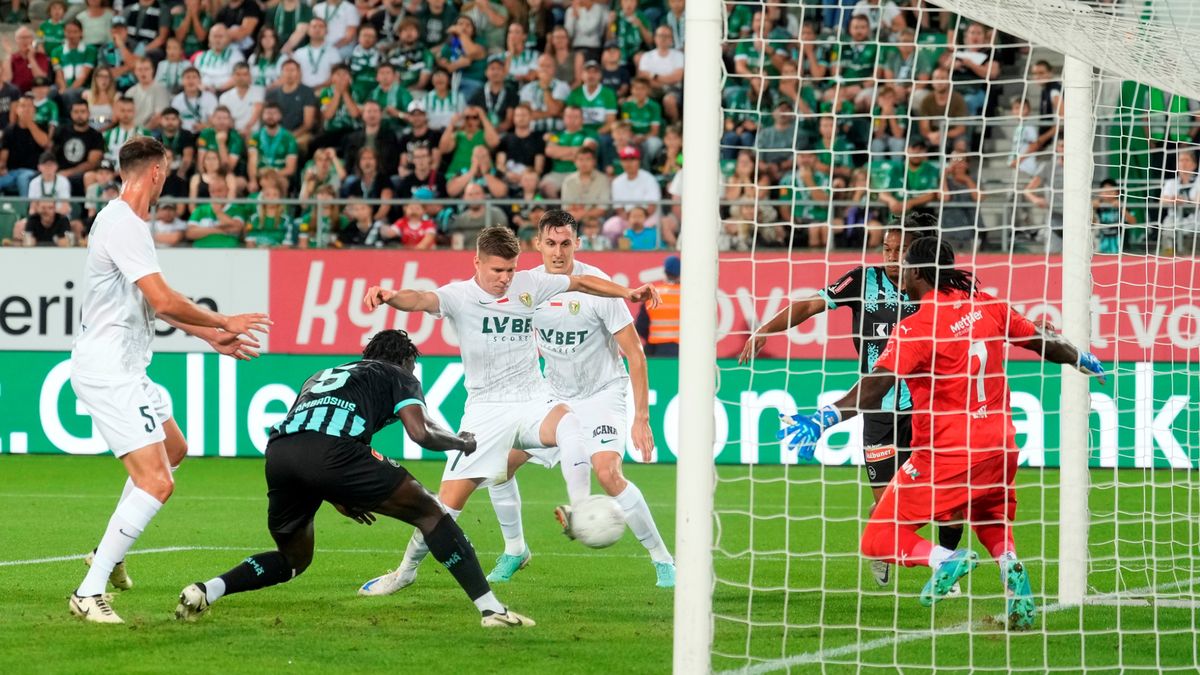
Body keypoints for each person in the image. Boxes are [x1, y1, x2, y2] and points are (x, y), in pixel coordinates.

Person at [779, 236, 1106, 629]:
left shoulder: (917, 327)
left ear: (916, 272)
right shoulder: (988, 305)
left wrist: (824, 418)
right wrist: (1079, 357)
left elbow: (876, 386)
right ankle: (1010, 568)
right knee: (990, 516)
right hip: (1000, 446)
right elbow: (1041, 341)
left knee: (878, 539)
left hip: (946, 452)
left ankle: (945, 558)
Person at [355, 227, 660, 593]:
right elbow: (420, 298)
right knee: (444, 507)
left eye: (511, 270)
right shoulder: (459, 296)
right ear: (477, 262)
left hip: (532, 398)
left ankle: (579, 508)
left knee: (570, 425)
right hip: (486, 410)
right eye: (497, 271)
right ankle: (404, 571)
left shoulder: (530, 284)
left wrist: (627, 292)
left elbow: (582, 283)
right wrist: (390, 297)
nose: (505, 279)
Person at [174, 330, 535, 629]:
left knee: (293, 559)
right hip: (333, 453)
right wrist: (462, 442)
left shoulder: (322, 375)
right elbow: (420, 433)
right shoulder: (398, 375)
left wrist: (336, 494)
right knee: (431, 513)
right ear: (406, 362)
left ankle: (208, 590)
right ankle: (492, 610)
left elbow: (312, 436)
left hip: (281, 454)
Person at [69, 136, 269, 624]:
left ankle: (107, 555)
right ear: (156, 172)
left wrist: (207, 337)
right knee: (157, 482)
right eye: (168, 171)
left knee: (173, 449)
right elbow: (163, 301)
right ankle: (88, 592)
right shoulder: (123, 223)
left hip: (128, 367)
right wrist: (224, 323)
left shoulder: (126, 222)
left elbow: (151, 301)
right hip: (109, 368)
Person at [739, 220, 960, 586]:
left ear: (913, 253)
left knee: (945, 499)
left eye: (899, 250)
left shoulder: (926, 288)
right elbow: (810, 304)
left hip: (922, 406)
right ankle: (888, 540)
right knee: (889, 504)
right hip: (875, 408)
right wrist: (765, 329)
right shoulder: (862, 280)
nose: (892, 257)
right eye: (886, 250)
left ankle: (947, 574)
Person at [635, 254, 680, 356]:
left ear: (665, 272)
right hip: (683, 351)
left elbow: (640, 327)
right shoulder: (689, 296)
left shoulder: (653, 294)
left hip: (656, 351)